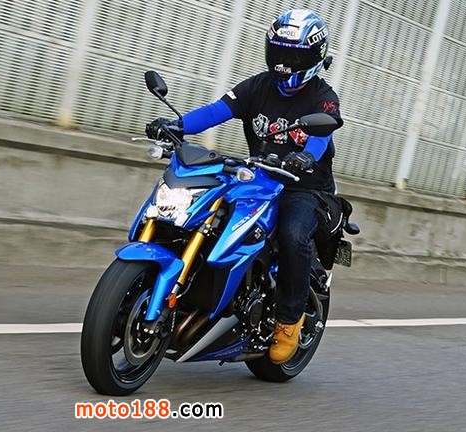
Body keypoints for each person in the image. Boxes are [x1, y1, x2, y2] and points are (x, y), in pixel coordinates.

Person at [145, 9, 343, 365]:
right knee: (204, 210)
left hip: (305, 187)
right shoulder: (258, 86)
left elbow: (320, 135)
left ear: (314, 57)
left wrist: (305, 157)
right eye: (278, 53)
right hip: (260, 175)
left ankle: (288, 322)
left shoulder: (323, 97)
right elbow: (216, 111)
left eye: (294, 57)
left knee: (293, 234)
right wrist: (177, 125)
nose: (284, 64)